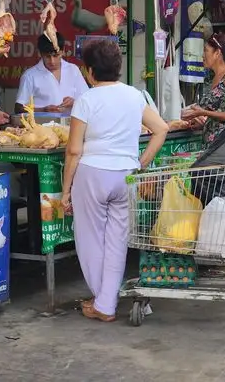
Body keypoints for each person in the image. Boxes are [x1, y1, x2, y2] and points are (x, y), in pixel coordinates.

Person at [62, 39, 168, 322]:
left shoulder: (86, 100)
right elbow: (161, 129)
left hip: (92, 173)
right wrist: (141, 162)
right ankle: (104, 301)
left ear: (89, 71)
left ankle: (104, 303)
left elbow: (74, 150)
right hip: (126, 175)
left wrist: (65, 191)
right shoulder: (135, 96)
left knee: (90, 239)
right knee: (117, 240)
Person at [182, 33, 225, 145]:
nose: (202, 55)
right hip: (213, 143)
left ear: (217, 53)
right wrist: (204, 122)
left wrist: (202, 112)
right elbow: (219, 113)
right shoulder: (217, 77)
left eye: (206, 50)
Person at [14, 32, 89, 115]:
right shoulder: (30, 76)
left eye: (56, 55)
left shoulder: (73, 70)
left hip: (70, 125)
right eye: (47, 56)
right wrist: (43, 110)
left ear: (63, 51)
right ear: (40, 54)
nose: (52, 61)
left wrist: (74, 102)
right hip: (41, 126)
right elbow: (18, 108)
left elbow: (87, 100)